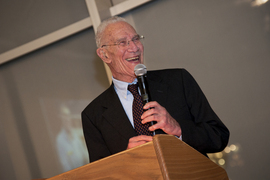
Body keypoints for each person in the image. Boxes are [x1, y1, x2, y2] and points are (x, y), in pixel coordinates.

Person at [81, 16, 229, 163]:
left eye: (136, 39)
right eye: (123, 42)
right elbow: (103, 173)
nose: (134, 47)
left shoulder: (178, 80)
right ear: (104, 55)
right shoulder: (93, 115)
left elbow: (218, 136)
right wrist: (126, 160)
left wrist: (178, 129)